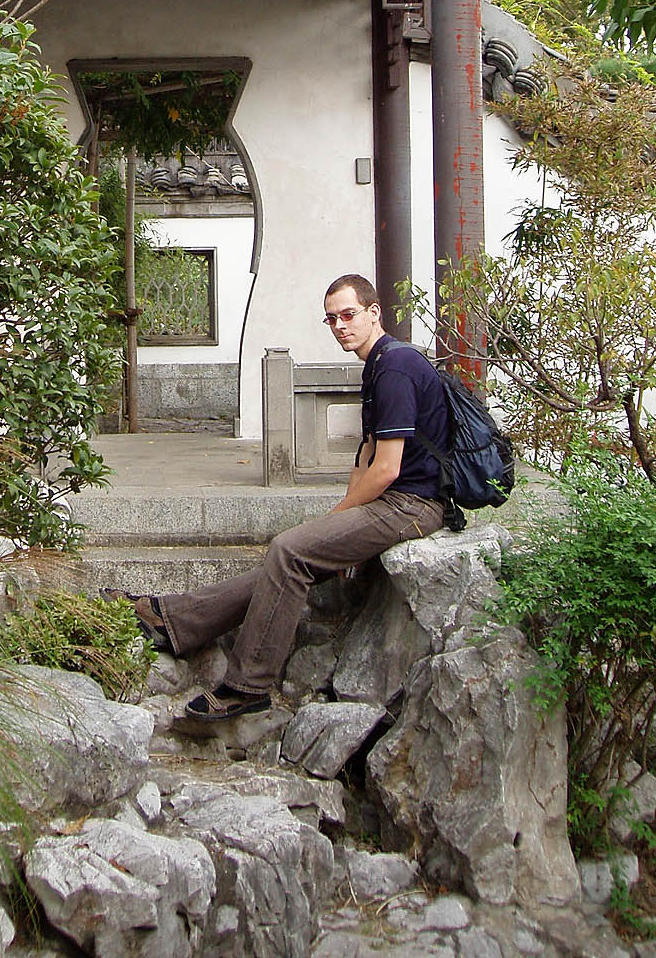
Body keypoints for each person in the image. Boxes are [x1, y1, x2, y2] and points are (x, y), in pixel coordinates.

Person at [125, 273, 451, 733]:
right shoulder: (379, 364)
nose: (340, 326)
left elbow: (387, 469)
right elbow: (366, 455)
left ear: (374, 312)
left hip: (413, 506)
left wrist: (340, 518)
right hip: (391, 502)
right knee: (289, 561)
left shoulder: (396, 366)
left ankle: (248, 686)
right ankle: (172, 619)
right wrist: (339, 524)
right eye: (331, 319)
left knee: (289, 549)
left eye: (349, 315)